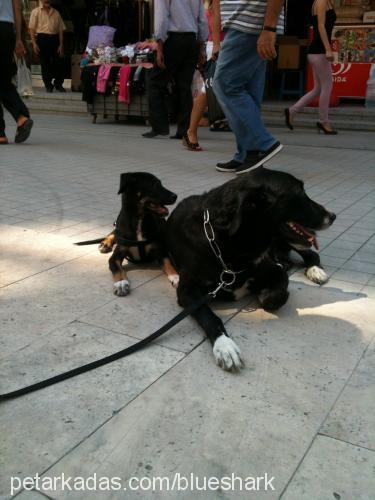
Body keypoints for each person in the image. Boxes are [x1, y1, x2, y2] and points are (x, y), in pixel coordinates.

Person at [212, 0, 284, 174]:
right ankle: (247, 154)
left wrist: (269, 29)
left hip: (248, 23)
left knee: (225, 85)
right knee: (249, 93)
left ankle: (263, 143)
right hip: (247, 24)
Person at [142, 0, 209, 139]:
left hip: (173, 40)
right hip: (191, 41)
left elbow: (161, 18)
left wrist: (160, 47)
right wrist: (201, 47)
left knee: (155, 81)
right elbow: (202, 19)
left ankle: (159, 126)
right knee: (184, 86)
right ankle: (184, 129)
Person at [285, 0, 337, 134]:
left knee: (318, 89)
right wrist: (328, 49)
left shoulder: (325, 2)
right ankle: (323, 122)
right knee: (327, 86)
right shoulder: (321, 2)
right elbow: (320, 26)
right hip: (319, 51)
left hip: (317, 52)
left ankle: (292, 111)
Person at [182, 0, 222, 151]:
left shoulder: (207, 6)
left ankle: (191, 131)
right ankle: (191, 131)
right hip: (219, 46)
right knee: (208, 89)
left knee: (211, 89)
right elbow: (209, 26)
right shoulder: (212, 5)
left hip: (223, 45)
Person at [0, 0, 33, 145]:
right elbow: (17, 6)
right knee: (3, 78)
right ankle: (21, 118)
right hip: (6, 29)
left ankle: (3, 131)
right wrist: (18, 38)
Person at [29, 0, 66, 93]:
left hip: (54, 38)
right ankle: (48, 85)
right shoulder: (35, 12)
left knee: (59, 62)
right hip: (42, 39)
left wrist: (61, 44)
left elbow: (61, 30)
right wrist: (34, 43)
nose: (47, 1)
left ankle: (58, 84)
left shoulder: (56, 12)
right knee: (45, 63)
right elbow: (31, 29)